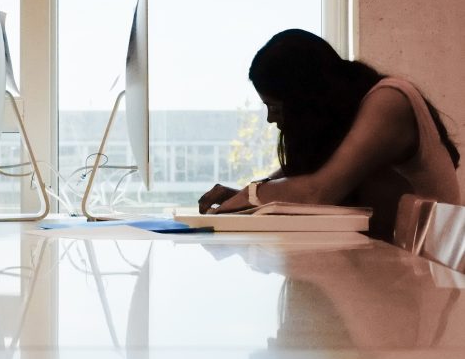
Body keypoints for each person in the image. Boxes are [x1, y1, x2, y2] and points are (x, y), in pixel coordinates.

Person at [197, 28, 460, 240]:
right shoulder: (351, 112)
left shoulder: (390, 101)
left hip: (431, 281)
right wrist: (247, 195)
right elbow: (297, 178)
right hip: (404, 273)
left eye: (275, 107)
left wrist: (252, 194)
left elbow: (318, 191)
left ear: (305, 100)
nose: (270, 119)